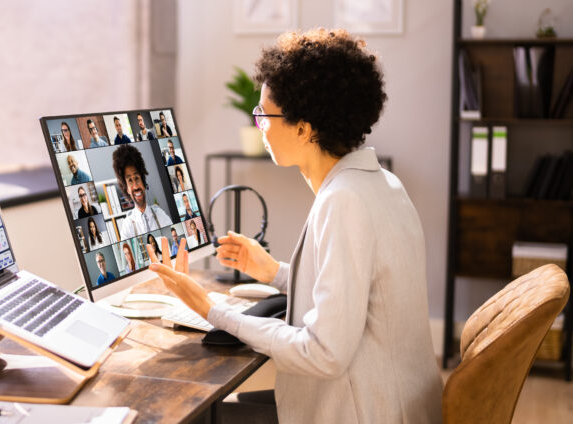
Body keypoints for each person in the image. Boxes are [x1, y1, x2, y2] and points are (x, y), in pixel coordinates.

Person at [145, 29, 442, 423]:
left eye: (263, 114)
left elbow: (322, 352)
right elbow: (354, 297)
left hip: (365, 410)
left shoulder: (344, 201)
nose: (258, 126)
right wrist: (273, 272)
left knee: (189, 414)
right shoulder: (380, 184)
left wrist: (212, 310)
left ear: (303, 128)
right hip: (390, 401)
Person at [113, 145, 173, 240]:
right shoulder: (127, 226)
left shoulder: (160, 215)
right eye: (130, 181)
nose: (136, 186)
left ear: (143, 182)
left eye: (137, 178)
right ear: (127, 189)